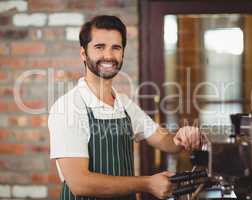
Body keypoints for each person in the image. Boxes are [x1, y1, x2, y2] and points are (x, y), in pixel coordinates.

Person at [48, 15, 205, 200]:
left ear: (122, 53)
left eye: (116, 47)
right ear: (84, 53)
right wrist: (147, 183)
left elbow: (165, 140)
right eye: (99, 47)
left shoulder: (124, 104)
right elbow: (80, 183)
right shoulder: (69, 107)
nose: (108, 55)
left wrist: (182, 137)